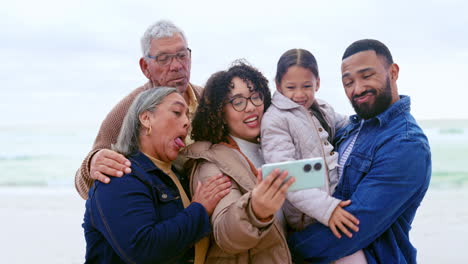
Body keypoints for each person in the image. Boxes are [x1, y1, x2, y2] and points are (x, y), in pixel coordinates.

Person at [287, 39, 431, 263]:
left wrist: (280, 249)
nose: (357, 89)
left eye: (366, 76)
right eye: (348, 82)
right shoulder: (352, 128)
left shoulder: (406, 144)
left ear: (393, 72)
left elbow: (352, 226)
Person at [83, 87, 231, 263]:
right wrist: (199, 209)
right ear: (146, 119)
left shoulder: (177, 174)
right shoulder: (120, 176)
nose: (186, 122)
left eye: (188, 116)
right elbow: (143, 250)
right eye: (176, 112)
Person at [182, 61, 295, 263]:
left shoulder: (275, 148)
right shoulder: (211, 164)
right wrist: (255, 210)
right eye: (237, 101)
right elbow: (226, 235)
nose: (250, 107)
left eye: (255, 97)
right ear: (221, 113)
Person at [75, 20, 202, 199]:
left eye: (181, 55)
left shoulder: (209, 100)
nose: (176, 66)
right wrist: (92, 164)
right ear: (145, 67)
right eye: (164, 58)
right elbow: (83, 186)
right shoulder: (127, 111)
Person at [261, 48, 365, 262]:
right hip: (309, 219)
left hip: (337, 202)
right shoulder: (275, 120)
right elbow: (285, 176)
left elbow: (349, 126)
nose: (299, 94)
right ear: (278, 85)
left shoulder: (323, 108)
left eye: (307, 86)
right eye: (291, 87)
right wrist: (328, 209)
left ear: (317, 82)